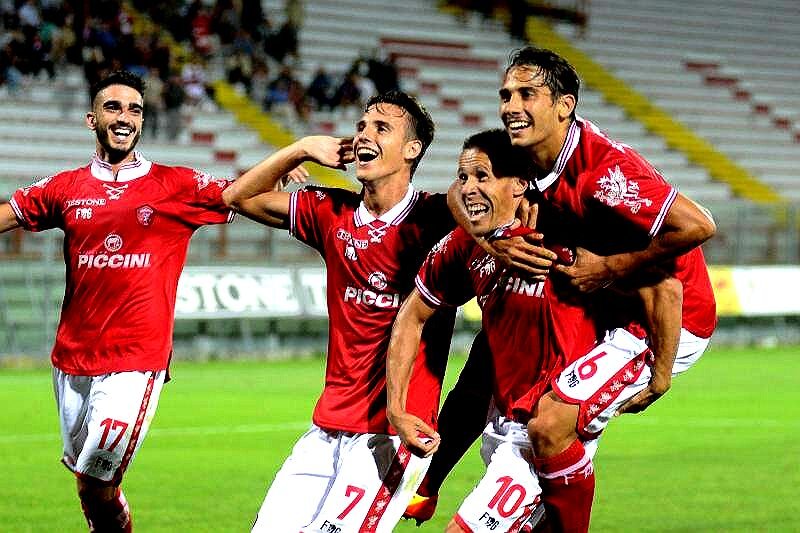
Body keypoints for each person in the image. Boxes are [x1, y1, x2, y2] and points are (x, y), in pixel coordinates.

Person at [0, 70, 348, 532]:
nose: (125, 117)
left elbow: (238, 194)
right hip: (71, 360)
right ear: (91, 119)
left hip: (135, 362)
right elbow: (8, 214)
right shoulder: (65, 187)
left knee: (97, 473)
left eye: (135, 110)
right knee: (91, 487)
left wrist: (289, 159)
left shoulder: (175, 184)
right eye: (113, 107)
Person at [405, 46, 717, 531]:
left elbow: (695, 232)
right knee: (495, 359)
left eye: (527, 94)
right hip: (605, 305)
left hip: (667, 320)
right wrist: (491, 239)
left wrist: (612, 271)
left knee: (550, 424)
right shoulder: (527, 156)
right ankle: (462, 490)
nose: (511, 106)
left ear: (564, 105)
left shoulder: (603, 174)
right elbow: (457, 192)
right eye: (506, 95)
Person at [227, 90, 457, 532]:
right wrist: (300, 148)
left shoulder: (438, 219)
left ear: (412, 149)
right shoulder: (332, 211)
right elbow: (238, 198)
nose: (365, 135)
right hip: (327, 427)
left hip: (394, 433)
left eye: (382, 128)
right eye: (362, 126)